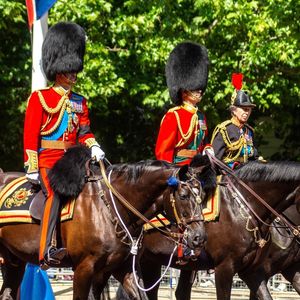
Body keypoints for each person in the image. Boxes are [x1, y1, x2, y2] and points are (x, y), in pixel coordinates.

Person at [23, 22, 105, 269]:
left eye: (74, 70)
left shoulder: (80, 101)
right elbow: (30, 135)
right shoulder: (40, 98)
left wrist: (94, 146)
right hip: (48, 160)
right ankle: (46, 249)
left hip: (75, 160)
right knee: (55, 195)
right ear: (57, 69)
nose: (73, 75)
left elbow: (84, 132)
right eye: (69, 70)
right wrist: (32, 165)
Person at [155, 41, 214, 165]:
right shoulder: (173, 116)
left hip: (200, 165)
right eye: (195, 89)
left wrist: (208, 148)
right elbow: (164, 151)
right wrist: (169, 172)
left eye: (200, 89)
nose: (199, 91)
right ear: (184, 92)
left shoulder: (201, 116)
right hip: (179, 166)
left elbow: (203, 143)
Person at [211, 73, 260, 169]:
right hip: (227, 176)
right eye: (244, 109)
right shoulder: (224, 129)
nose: (247, 112)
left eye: (249, 109)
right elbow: (215, 159)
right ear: (234, 110)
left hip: (247, 175)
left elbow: (254, 157)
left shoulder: (249, 131)